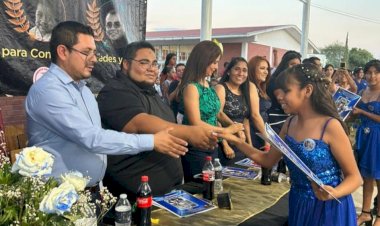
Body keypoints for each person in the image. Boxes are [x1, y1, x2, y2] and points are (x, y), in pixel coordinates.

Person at [25, 21, 188, 188]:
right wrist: (151, 141)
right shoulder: (48, 91)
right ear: (63, 52)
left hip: (88, 191)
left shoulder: (84, 91)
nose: (94, 59)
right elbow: (92, 138)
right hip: (56, 195)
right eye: (86, 52)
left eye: (94, 52)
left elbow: (99, 136)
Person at [219, 63, 362, 226]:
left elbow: (355, 178)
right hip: (298, 202)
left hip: (328, 208)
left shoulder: (330, 126)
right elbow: (267, 160)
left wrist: (334, 192)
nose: (279, 97)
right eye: (277, 93)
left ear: (307, 90)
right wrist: (236, 140)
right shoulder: (289, 123)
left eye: (286, 91)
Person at [96, 41, 242, 198]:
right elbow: (140, 123)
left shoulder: (149, 90)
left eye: (154, 64)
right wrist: (193, 132)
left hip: (169, 191)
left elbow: (170, 126)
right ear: (125, 64)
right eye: (144, 63)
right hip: (137, 197)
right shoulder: (116, 91)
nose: (152, 69)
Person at [177, 40, 243, 182]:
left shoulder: (207, 84)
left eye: (217, 62)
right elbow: (196, 122)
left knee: (213, 187)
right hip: (196, 148)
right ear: (202, 61)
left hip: (212, 146)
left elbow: (218, 113)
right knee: (201, 189)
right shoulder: (191, 88)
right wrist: (226, 131)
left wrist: (235, 127)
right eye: (213, 62)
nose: (215, 67)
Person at [353, 59, 380, 226]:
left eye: (376, 72)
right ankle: (365, 213)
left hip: (378, 138)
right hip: (363, 135)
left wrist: (362, 112)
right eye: (369, 72)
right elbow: (354, 112)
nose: (372, 76)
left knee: (379, 177)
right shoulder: (362, 90)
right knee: (367, 177)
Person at [214, 57, 252, 166]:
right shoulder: (221, 88)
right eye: (237, 69)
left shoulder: (244, 91)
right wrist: (225, 145)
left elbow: (245, 121)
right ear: (229, 71)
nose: (241, 73)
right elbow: (217, 116)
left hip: (241, 143)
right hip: (226, 143)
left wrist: (249, 146)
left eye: (244, 70)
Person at [247, 56, 272, 185]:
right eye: (262, 68)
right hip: (254, 133)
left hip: (261, 132)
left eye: (267, 69)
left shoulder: (260, 87)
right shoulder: (251, 86)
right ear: (252, 69)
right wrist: (267, 139)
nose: (266, 71)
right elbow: (255, 116)